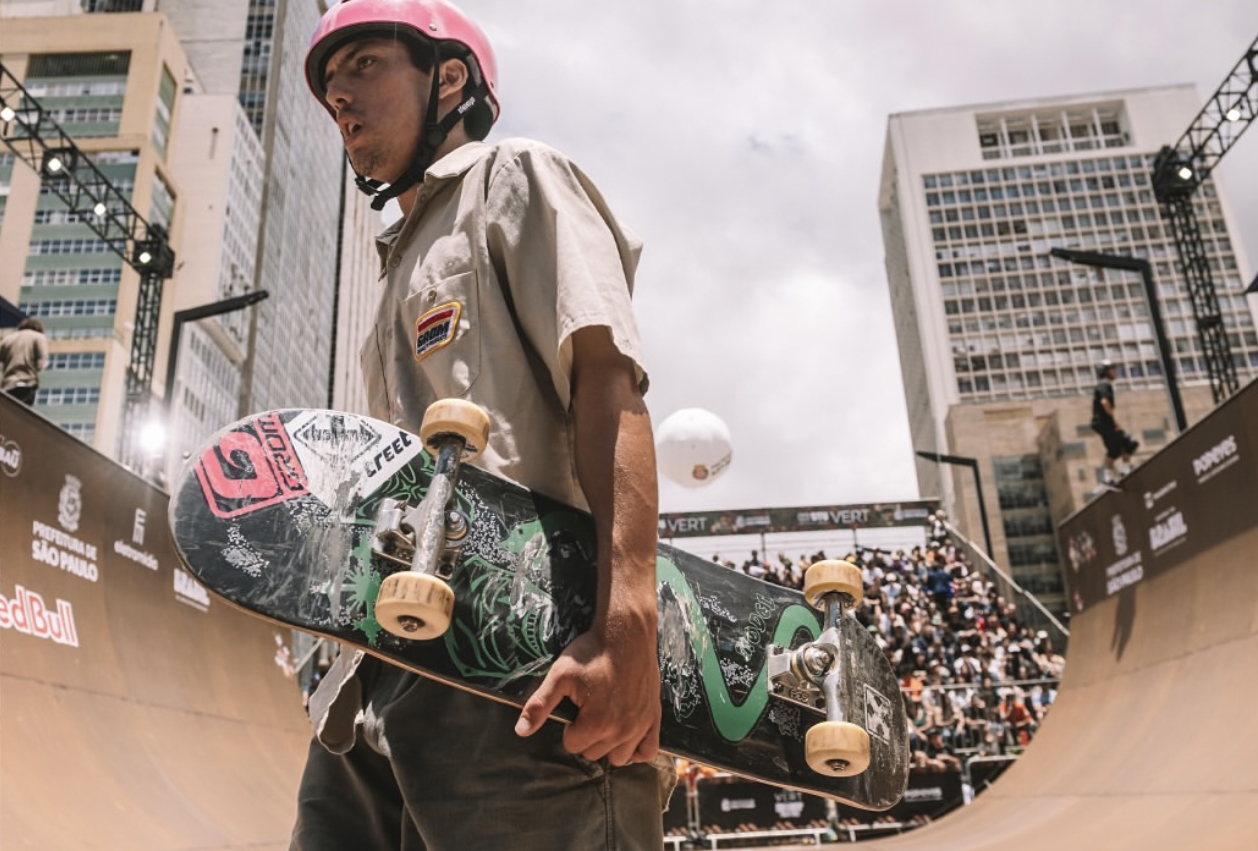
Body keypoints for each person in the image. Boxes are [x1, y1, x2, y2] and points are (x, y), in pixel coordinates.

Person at [292, 2, 672, 848]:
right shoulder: (395, 267)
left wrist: (627, 629)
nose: (338, 98)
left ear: (449, 78)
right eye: (327, 85)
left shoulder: (517, 176)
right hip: (375, 676)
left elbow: (607, 385)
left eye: (362, 66)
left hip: (516, 665)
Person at [1090, 359, 1138, 485]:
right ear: (1105, 372)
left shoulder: (1103, 385)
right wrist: (1114, 421)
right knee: (1129, 443)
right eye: (1112, 369)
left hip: (1101, 423)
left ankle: (1110, 477)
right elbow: (1104, 402)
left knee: (1114, 450)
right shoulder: (1104, 385)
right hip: (1104, 422)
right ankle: (1122, 471)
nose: (1115, 372)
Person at [0, 317, 49, 406]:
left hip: (8, 386)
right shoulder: (39, 337)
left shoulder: (7, 339)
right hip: (26, 383)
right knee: (23, 414)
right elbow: (40, 364)